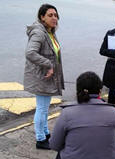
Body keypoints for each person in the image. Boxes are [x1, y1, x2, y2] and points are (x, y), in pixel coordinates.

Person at [24, 4, 64, 150]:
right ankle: (40, 139)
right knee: (41, 108)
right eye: (50, 15)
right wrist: (48, 64)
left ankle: (46, 133)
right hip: (42, 77)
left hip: (48, 77)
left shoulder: (50, 32)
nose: (54, 18)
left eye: (55, 15)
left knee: (45, 108)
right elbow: (30, 53)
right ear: (42, 17)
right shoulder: (39, 33)